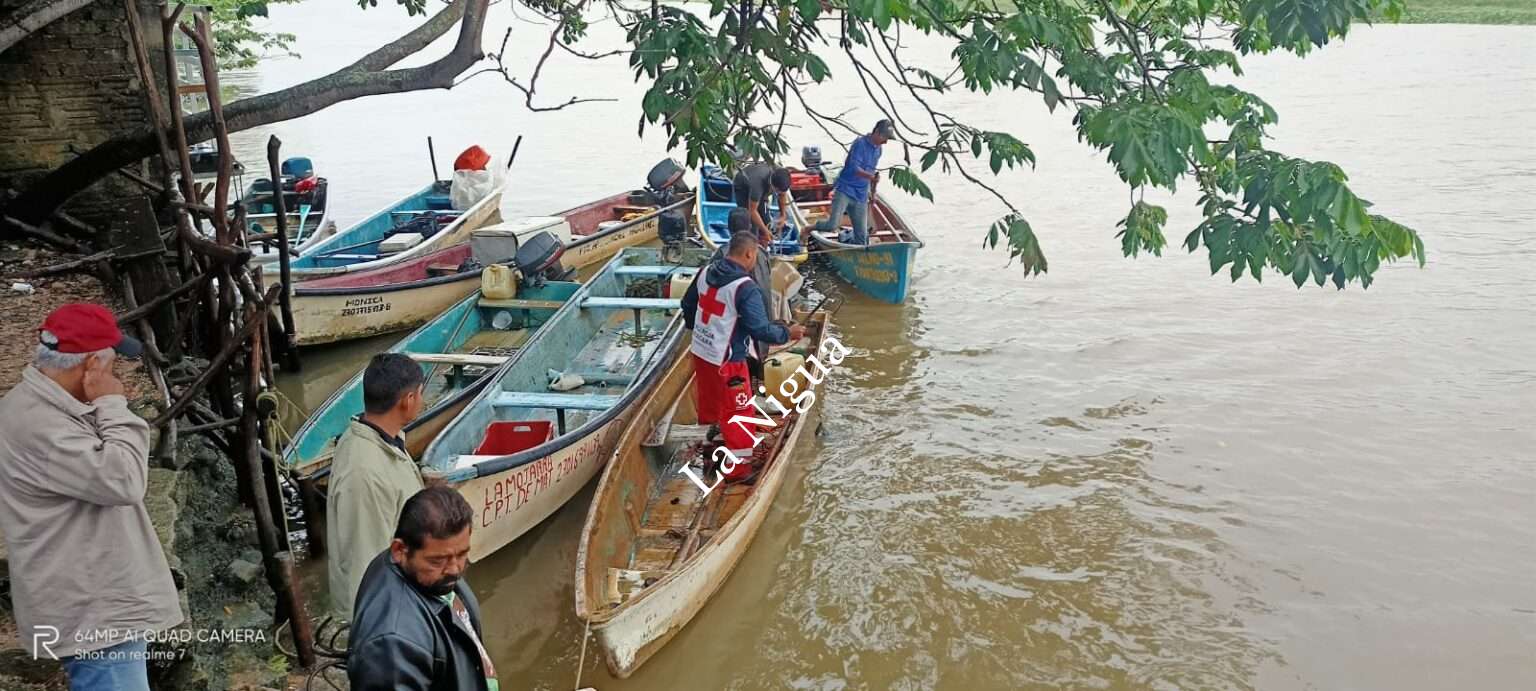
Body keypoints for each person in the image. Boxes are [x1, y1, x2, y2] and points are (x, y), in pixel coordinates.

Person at [0, 303, 182, 691]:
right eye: (112, 364)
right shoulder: (40, 426)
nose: (118, 375)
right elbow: (125, 480)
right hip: (94, 614)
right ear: (91, 367)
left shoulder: (29, 405)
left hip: (92, 603)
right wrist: (112, 403)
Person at [681, 232, 807, 483]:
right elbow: (760, 330)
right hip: (728, 361)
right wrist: (787, 332)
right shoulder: (745, 288)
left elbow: (688, 305)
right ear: (749, 254)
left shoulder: (705, 272)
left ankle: (711, 461)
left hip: (702, 354)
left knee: (709, 410)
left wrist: (706, 331)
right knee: (738, 413)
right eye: (755, 257)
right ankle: (738, 472)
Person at [348, 486, 495, 691]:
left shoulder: (421, 572)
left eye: (462, 554)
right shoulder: (393, 644)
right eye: (438, 561)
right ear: (400, 550)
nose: (454, 569)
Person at [327, 352, 427, 619]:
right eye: (420, 393)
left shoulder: (379, 438)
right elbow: (365, 562)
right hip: (386, 613)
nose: (423, 401)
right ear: (408, 401)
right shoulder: (364, 474)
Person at [812, 119, 894, 244]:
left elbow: (871, 172)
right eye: (884, 137)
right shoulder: (859, 144)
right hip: (845, 189)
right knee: (832, 225)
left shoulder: (879, 150)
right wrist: (871, 177)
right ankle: (809, 228)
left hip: (861, 194)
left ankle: (857, 252)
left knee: (862, 236)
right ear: (877, 132)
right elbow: (855, 169)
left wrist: (873, 192)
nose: (886, 142)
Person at [732, 162, 793, 240]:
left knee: (767, 222)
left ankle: (764, 248)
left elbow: (782, 195)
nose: (779, 194)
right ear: (772, 186)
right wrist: (765, 231)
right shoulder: (757, 184)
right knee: (752, 226)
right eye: (777, 192)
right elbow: (752, 211)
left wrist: (783, 215)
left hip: (763, 191)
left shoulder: (781, 176)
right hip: (742, 187)